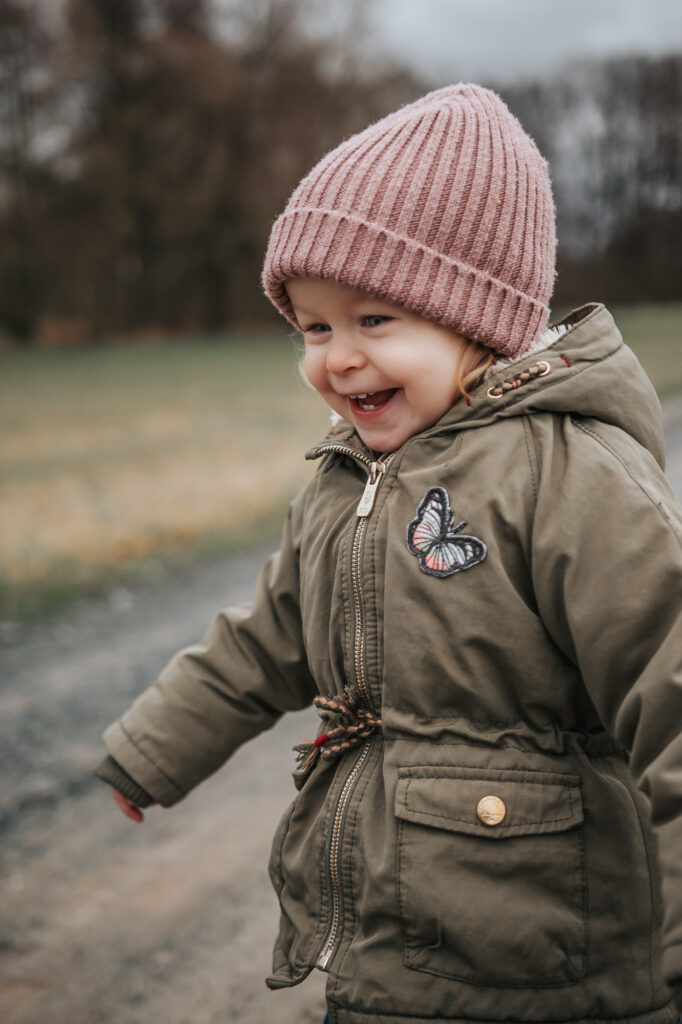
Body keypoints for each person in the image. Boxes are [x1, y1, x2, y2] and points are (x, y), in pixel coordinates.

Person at [94, 84, 682, 1024]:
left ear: (478, 323)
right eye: (314, 328)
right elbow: (267, 636)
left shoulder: (567, 476)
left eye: (375, 321)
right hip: (386, 957)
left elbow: (672, 691)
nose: (338, 358)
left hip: (558, 971)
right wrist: (154, 749)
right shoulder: (342, 482)